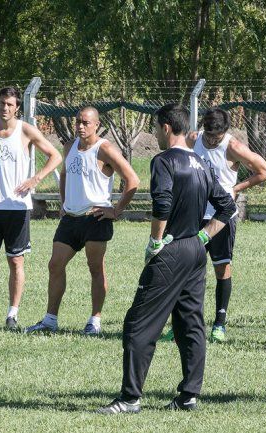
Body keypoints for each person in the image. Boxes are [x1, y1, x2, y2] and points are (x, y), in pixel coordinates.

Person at [97, 104, 236, 414]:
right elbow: (227, 207)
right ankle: (189, 396)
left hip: (171, 250)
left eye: (155, 128)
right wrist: (203, 237)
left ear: (165, 128)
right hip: (195, 251)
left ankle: (130, 399)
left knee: (138, 323)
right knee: (191, 324)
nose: (155, 134)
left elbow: (162, 204)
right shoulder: (201, 162)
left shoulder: (163, 161)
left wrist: (155, 242)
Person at [25, 106, 139, 336]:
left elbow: (132, 179)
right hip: (71, 219)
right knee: (55, 264)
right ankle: (50, 320)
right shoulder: (69, 147)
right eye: (78, 122)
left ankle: (94, 320)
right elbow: (65, 175)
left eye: (86, 123)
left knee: (95, 268)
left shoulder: (104, 149)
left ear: (97, 124)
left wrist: (115, 211)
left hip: (95, 219)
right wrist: (64, 203)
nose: (80, 126)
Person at [0, 86, 62, 331]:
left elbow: (55, 156)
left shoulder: (26, 130)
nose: (5, 108)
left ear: (17, 108)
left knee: (16, 262)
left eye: (10, 104)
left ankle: (12, 315)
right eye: (1, 103)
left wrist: (35, 179)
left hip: (17, 208)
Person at [187, 108, 266, 342]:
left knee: (221, 268)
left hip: (221, 216)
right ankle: (183, 325)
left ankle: (219, 324)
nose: (213, 140)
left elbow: (265, 171)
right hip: (194, 213)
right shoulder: (193, 139)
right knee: (187, 269)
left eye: (218, 136)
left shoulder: (232, 146)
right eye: (210, 135)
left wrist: (235, 189)